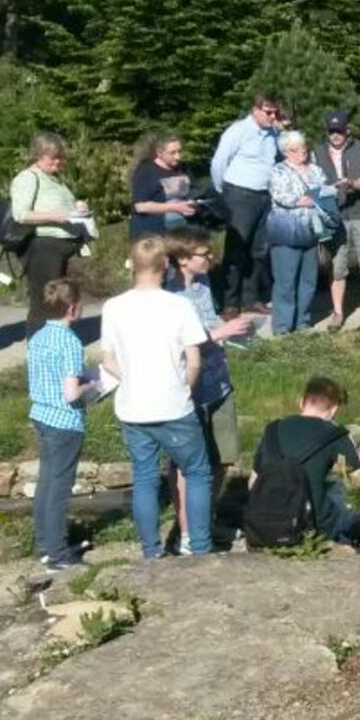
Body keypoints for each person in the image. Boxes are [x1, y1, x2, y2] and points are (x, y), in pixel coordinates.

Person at [100, 236, 213, 559]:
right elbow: (194, 360)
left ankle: (151, 552)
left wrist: (133, 378)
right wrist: (184, 388)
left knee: (146, 479)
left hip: (134, 407)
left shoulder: (113, 307)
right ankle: (200, 547)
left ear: (132, 266)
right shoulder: (179, 305)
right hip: (173, 404)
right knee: (197, 473)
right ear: (165, 264)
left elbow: (108, 360)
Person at [162, 231, 256, 543]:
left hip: (218, 382)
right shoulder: (170, 296)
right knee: (188, 466)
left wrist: (232, 331)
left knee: (221, 459)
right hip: (191, 389)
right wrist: (220, 333)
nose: (210, 259)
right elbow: (176, 343)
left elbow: (209, 325)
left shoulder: (201, 287)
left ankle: (206, 518)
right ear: (182, 258)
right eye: (204, 254)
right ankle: (187, 530)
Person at [246, 376, 360, 547]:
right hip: (312, 524)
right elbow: (359, 484)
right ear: (334, 409)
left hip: (266, 522)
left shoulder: (272, 430)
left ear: (301, 401)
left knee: (331, 487)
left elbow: (253, 483)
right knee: (344, 495)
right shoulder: (336, 434)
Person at [26, 278, 95, 571]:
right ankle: (56, 553)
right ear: (72, 308)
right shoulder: (70, 342)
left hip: (41, 414)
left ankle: (45, 542)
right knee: (59, 487)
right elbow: (70, 394)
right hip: (65, 421)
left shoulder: (39, 335)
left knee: (46, 481)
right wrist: (91, 384)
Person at [11, 132, 91, 336]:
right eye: (53, 157)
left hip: (59, 249)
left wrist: (78, 208)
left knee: (57, 300)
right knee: (44, 302)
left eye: (60, 156)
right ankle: (38, 350)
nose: (58, 161)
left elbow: (63, 207)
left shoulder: (54, 179)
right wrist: (56, 216)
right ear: (38, 155)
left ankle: (54, 343)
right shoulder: (28, 178)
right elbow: (20, 214)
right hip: (43, 249)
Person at [209, 95, 282, 313]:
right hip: (240, 194)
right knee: (237, 249)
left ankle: (251, 298)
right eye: (268, 112)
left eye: (275, 112)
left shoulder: (273, 134)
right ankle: (231, 302)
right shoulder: (238, 131)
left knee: (259, 249)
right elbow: (218, 163)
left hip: (264, 195)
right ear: (255, 110)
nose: (273, 116)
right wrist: (224, 192)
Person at [319, 110, 360, 329]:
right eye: (331, 131)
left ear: (347, 130)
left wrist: (352, 184)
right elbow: (314, 183)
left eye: (339, 131)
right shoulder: (317, 153)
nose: (335, 135)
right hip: (335, 215)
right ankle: (338, 313)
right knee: (337, 267)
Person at [265, 131, 328, 337]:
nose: (302, 152)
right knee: (285, 280)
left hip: (311, 230)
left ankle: (303, 321)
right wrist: (310, 198)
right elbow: (284, 197)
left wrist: (312, 198)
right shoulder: (278, 171)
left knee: (308, 280)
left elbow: (324, 193)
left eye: (303, 147)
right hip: (286, 231)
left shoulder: (316, 170)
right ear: (286, 152)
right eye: (296, 149)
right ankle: (283, 326)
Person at [127, 132, 197, 240]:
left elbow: (193, 190)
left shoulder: (183, 168)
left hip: (183, 229)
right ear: (159, 153)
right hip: (154, 232)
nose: (178, 157)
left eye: (180, 151)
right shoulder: (146, 171)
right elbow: (140, 206)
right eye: (172, 153)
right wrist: (175, 208)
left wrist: (193, 202)